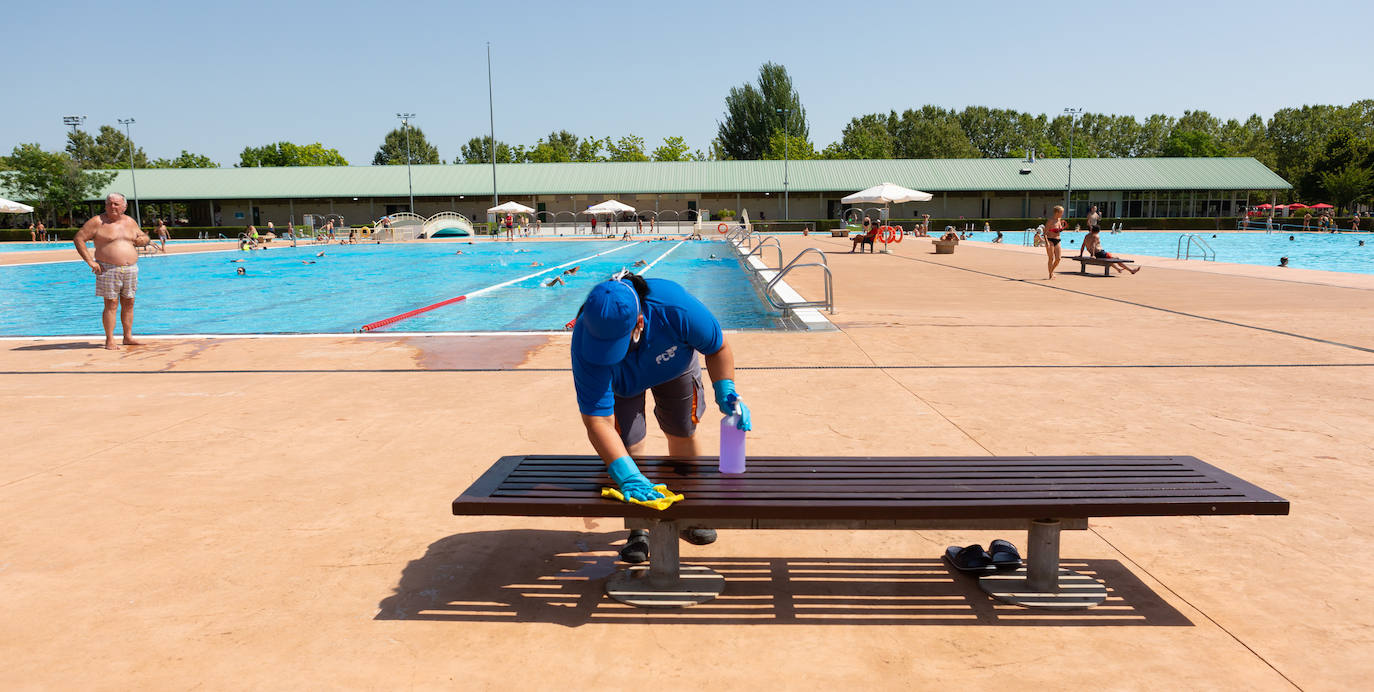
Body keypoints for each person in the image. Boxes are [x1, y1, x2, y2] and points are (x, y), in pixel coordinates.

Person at [571, 273, 751, 563]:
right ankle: (638, 526)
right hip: (622, 382)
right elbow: (598, 422)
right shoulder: (585, 341)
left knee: (682, 431)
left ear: (639, 324)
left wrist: (726, 390)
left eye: (616, 345)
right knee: (627, 444)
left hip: (674, 367)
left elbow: (718, 348)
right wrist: (626, 476)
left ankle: (688, 512)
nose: (608, 352)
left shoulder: (676, 309)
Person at [72, 193, 149, 350]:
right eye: (109, 204)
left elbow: (143, 236)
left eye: (116, 204)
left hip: (130, 269)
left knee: (129, 302)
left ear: (124, 206)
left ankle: (127, 337)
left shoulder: (130, 221)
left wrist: (144, 240)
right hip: (108, 268)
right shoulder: (97, 222)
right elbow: (79, 238)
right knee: (111, 303)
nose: (112, 207)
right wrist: (90, 261)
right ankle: (110, 339)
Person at [1043, 205, 1066, 280]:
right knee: (1051, 258)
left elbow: (1058, 229)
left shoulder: (1059, 219)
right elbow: (1045, 233)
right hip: (1050, 240)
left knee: (1058, 258)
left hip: (1057, 240)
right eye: (1061, 212)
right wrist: (1047, 242)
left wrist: (1061, 228)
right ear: (1057, 212)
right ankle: (1050, 274)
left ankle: (1051, 271)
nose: (1062, 214)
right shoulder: (1050, 221)